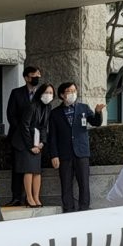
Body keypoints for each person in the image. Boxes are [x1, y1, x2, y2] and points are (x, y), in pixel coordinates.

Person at [48, 83, 105, 212]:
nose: (73, 93)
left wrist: (98, 113)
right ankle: (68, 210)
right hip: (64, 154)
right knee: (66, 184)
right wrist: (54, 155)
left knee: (84, 183)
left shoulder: (83, 108)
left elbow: (96, 122)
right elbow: (52, 136)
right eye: (69, 91)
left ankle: (84, 209)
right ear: (62, 95)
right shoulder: (55, 113)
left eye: (74, 90)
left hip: (81, 152)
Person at [5, 65, 42, 206]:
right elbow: (11, 115)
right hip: (18, 138)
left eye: (38, 75)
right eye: (34, 76)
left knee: (34, 170)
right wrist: (22, 131)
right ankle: (16, 197)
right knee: (17, 168)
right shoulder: (16, 93)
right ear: (26, 78)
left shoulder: (41, 95)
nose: (36, 78)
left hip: (36, 138)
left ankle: (33, 197)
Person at [14, 82, 54, 207]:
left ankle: (36, 198)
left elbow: (43, 126)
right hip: (24, 143)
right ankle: (29, 198)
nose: (48, 95)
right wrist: (31, 145)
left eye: (51, 93)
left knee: (37, 171)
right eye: (46, 92)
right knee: (29, 170)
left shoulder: (47, 107)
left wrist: (42, 142)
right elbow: (24, 126)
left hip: (37, 142)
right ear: (40, 93)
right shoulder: (31, 106)